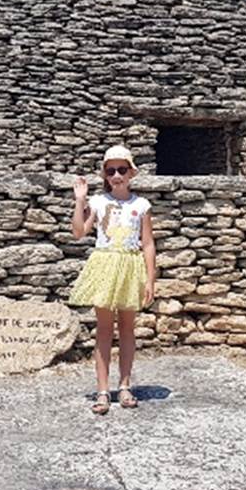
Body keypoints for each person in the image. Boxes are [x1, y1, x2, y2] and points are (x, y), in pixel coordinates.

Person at [69, 145, 157, 414]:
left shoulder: (141, 205)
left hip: (130, 266)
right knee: (104, 330)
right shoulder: (97, 201)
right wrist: (80, 200)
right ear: (105, 175)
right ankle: (103, 390)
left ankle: (126, 386)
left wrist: (150, 279)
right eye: (111, 170)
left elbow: (148, 244)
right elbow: (79, 232)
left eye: (121, 169)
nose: (116, 175)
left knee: (128, 329)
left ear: (131, 172)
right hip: (106, 264)